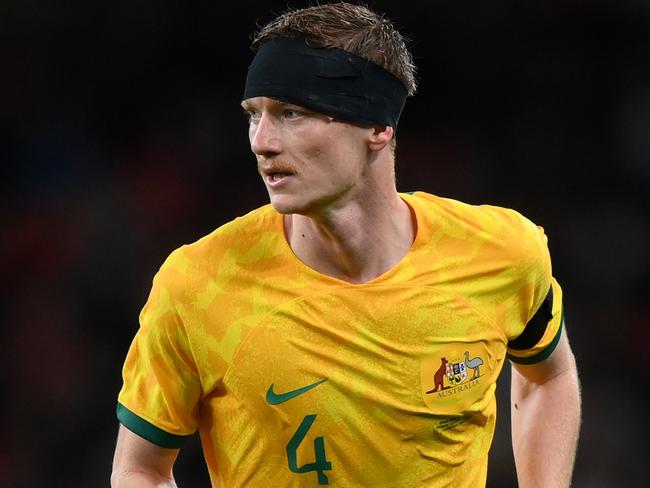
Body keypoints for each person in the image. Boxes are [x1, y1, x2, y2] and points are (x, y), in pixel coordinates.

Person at [111, 3, 581, 487]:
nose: (261, 141)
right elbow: (139, 467)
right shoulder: (198, 283)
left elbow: (550, 377)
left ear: (378, 127)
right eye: (255, 114)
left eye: (292, 113)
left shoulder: (501, 252)